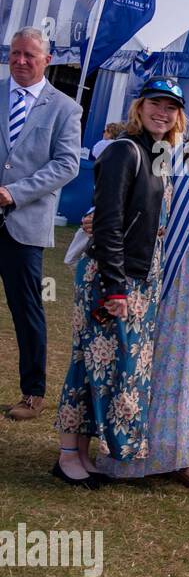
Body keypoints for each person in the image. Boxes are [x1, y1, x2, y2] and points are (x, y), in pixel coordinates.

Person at [93, 93, 189, 490]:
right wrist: (93, 218)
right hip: (170, 268)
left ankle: (188, 454)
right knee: (157, 358)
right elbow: (137, 197)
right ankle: (138, 449)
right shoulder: (177, 155)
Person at [52, 78, 186, 486]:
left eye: (171, 107)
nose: (162, 112)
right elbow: (108, 221)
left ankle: (86, 453)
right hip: (112, 276)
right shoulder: (122, 151)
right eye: (155, 104)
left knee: (112, 368)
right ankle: (67, 455)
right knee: (87, 361)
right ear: (139, 107)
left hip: (142, 277)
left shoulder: (157, 154)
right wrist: (114, 287)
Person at [1, 27, 83, 423]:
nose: (20, 60)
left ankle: (32, 393)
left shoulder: (65, 108)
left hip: (23, 223)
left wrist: (14, 193)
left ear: (47, 60)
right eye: (14, 53)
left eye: (29, 55)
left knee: (27, 308)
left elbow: (67, 164)